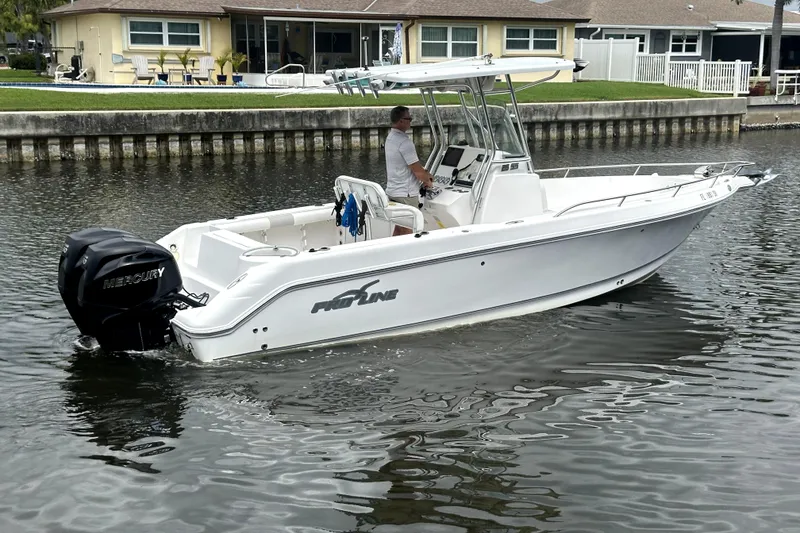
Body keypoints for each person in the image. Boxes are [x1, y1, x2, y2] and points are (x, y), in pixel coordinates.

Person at [384, 105, 435, 236]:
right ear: (401, 121)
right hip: (405, 194)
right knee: (409, 230)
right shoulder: (405, 142)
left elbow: (410, 166)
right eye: (409, 118)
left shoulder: (390, 138)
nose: (411, 121)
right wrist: (428, 181)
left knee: (400, 227)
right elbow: (418, 172)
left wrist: (424, 174)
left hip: (393, 191)